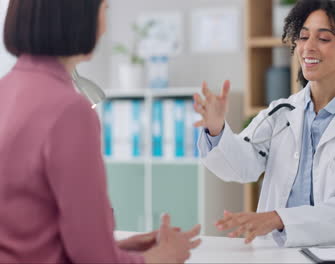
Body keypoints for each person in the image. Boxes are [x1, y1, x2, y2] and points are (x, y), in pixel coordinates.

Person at [0, 0, 200, 262]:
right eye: (104, 9)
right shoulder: (69, 110)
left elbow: (26, 233)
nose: (105, 26)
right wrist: (162, 257)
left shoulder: (6, 90)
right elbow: (94, 259)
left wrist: (119, 248)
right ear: (78, 16)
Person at [193, 0, 335, 247]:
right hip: (279, 252)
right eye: (303, 37)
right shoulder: (281, 112)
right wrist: (216, 128)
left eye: (324, 39)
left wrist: (278, 218)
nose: (308, 47)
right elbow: (240, 167)